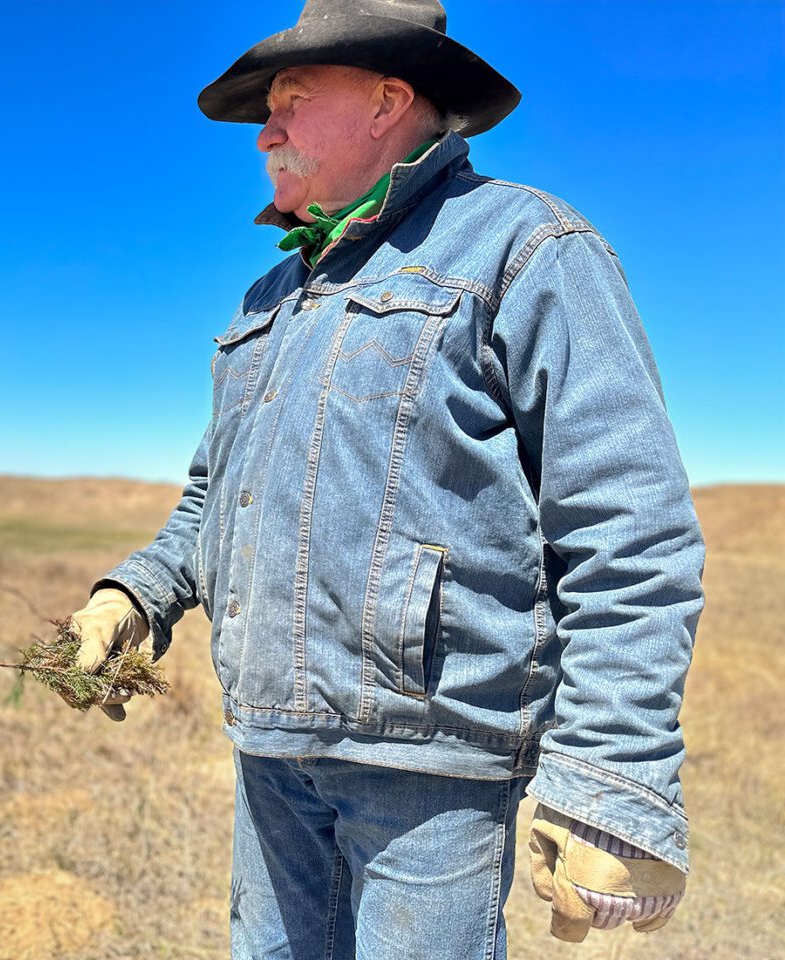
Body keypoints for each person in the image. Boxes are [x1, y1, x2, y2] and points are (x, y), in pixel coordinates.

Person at [61, 1, 704, 956]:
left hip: (432, 774)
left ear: (388, 100)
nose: (265, 133)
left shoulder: (525, 249)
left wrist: (610, 780)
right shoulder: (269, 301)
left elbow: (629, 528)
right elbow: (214, 496)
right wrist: (136, 594)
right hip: (271, 757)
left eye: (288, 100)